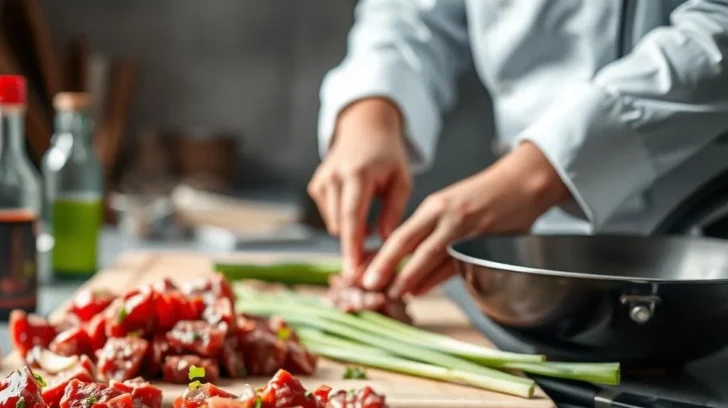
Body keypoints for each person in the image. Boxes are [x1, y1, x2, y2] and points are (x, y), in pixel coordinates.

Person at [310, 0, 728, 300]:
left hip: (702, 236)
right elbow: (412, 14)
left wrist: (535, 174)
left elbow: (717, 27)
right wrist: (371, 108)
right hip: (534, 257)